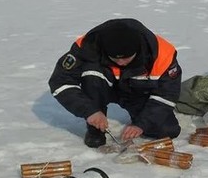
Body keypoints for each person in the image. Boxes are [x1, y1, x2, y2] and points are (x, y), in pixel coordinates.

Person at [48, 18, 182, 148]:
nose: (121, 63)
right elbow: (60, 82)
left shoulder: (162, 53)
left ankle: (138, 117)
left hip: (137, 92)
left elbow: (166, 95)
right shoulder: (88, 46)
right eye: (115, 59)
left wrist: (141, 124)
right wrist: (90, 111)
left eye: (127, 58)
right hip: (100, 89)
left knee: (168, 130)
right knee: (92, 73)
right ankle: (96, 130)